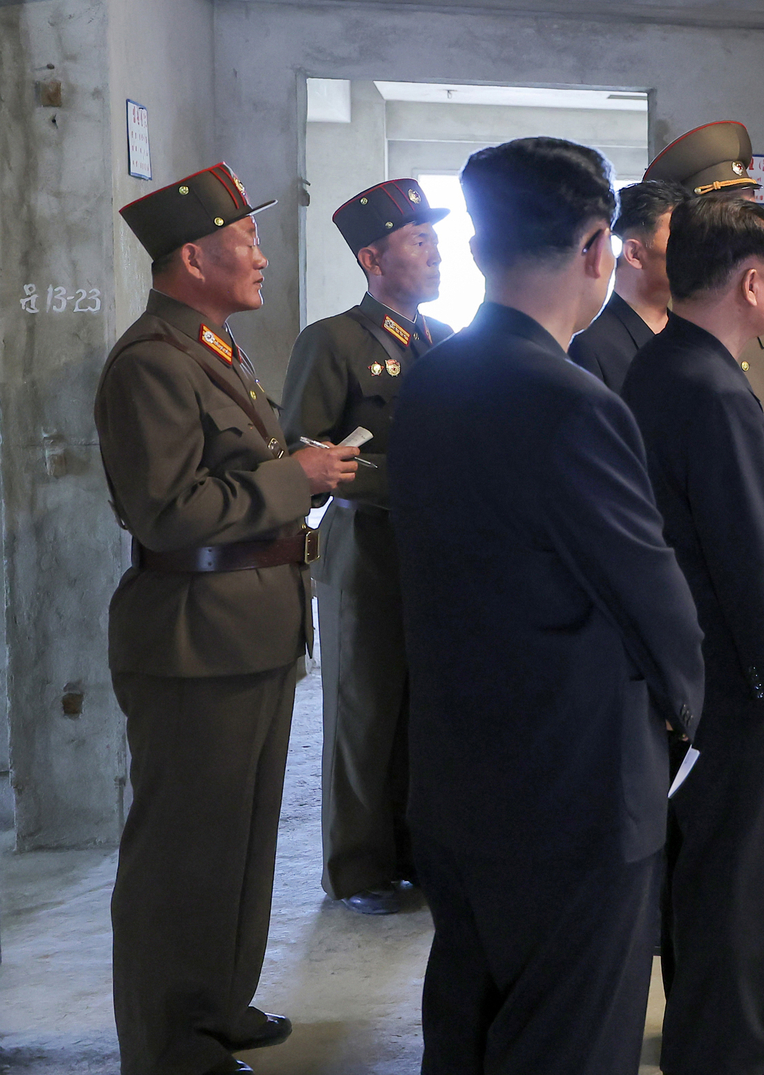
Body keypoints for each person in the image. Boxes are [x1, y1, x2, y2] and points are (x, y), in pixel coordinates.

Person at [387, 137, 705, 1075]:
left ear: (478, 246)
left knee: (468, 1022)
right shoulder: (573, 401)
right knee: (573, 1037)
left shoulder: (434, 375)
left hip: (455, 773)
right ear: (598, 245)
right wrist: (689, 716)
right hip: (573, 788)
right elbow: (653, 596)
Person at [96, 163, 358, 1075]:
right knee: (182, 856)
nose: (260, 255)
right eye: (245, 241)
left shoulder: (210, 347)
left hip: (248, 628)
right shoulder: (152, 361)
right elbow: (167, 510)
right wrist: (296, 477)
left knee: (239, 844)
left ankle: (215, 1007)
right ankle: (170, 1046)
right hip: (193, 638)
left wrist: (297, 466)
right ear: (193, 257)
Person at [625, 196, 764, 1075]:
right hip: (739, 684)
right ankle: (729, 1055)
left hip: (700, 671)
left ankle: (708, 1040)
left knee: (708, 863)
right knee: (740, 872)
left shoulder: (667, 362)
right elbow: (747, 550)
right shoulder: (712, 388)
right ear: (751, 282)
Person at [280, 178, 453, 915]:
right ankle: (356, 868)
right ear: (372, 258)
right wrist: (409, 477)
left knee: (426, 706)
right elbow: (304, 451)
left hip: (435, 549)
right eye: (419, 241)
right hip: (366, 545)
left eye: (435, 239)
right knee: (365, 706)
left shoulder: (444, 340)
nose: (435, 252)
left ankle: (417, 852)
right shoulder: (333, 341)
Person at [643, 120, 764, 506]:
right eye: (730, 209)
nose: (744, 223)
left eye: (748, 207)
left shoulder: (758, 291)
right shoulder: (670, 301)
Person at [570, 179, 693, 393]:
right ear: (634, 254)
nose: (695, 250)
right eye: (680, 238)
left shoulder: (692, 334)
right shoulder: (589, 344)